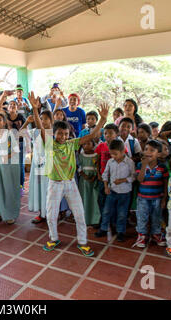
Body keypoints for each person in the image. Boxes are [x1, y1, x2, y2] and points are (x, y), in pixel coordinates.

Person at [29, 91, 109, 256]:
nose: (63, 136)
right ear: (54, 133)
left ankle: (82, 242)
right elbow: (40, 127)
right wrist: (35, 110)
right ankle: (53, 238)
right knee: (51, 215)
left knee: (79, 214)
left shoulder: (72, 143)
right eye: (60, 133)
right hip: (55, 184)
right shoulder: (49, 143)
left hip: (70, 183)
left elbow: (93, 135)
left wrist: (102, 119)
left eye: (66, 134)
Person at [95, 139, 135, 242]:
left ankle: (120, 232)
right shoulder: (110, 162)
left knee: (122, 213)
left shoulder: (129, 162)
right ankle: (103, 229)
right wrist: (106, 187)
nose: (113, 156)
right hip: (112, 191)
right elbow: (105, 175)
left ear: (122, 152)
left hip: (125, 193)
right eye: (111, 154)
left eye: (115, 154)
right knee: (106, 211)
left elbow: (133, 176)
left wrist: (123, 180)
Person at [134, 140, 169, 248]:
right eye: (146, 149)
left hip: (157, 198)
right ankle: (142, 236)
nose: (148, 152)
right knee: (142, 217)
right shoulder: (140, 165)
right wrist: (144, 166)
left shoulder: (162, 167)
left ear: (158, 154)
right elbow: (140, 180)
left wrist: (164, 199)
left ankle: (156, 234)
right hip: (143, 198)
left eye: (152, 150)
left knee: (157, 217)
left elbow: (166, 183)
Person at [23, 110, 53, 224]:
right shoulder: (35, 131)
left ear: (51, 120)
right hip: (36, 164)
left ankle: (51, 213)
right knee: (38, 188)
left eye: (46, 118)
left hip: (48, 165)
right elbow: (20, 133)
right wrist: (27, 122)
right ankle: (41, 213)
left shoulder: (53, 132)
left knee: (48, 190)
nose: (43, 121)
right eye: (41, 118)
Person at [95, 123, 120, 224]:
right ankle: (103, 220)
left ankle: (113, 222)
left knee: (114, 201)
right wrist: (98, 173)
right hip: (103, 178)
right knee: (101, 199)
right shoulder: (101, 146)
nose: (107, 135)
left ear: (116, 134)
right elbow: (97, 161)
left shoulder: (120, 146)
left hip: (115, 180)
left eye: (110, 133)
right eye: (105, 133)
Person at [78, 139, 101, 226]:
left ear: (93, 145)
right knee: (84, 198)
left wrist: (94, 177)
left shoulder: (96, 156)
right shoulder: (81, 156)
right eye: (84, 144)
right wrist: (84, 176)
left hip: (94, 180)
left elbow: (98, 167)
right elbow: (79, 167)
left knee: (94, 199)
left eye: (88, 143)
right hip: (84, 181)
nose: (86, 146)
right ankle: (84, 218)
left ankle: (95, 219)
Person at [6, 99, 27, 192]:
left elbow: (24, 131)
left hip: (20, 143)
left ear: (17, 107)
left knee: (20, 165)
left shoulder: (21, 117)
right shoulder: (5, 117)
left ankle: (21, 186)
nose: (12, 106)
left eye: (14, 105)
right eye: (10, 105)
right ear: (7, 107)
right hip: (8, 144)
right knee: (10, 165)